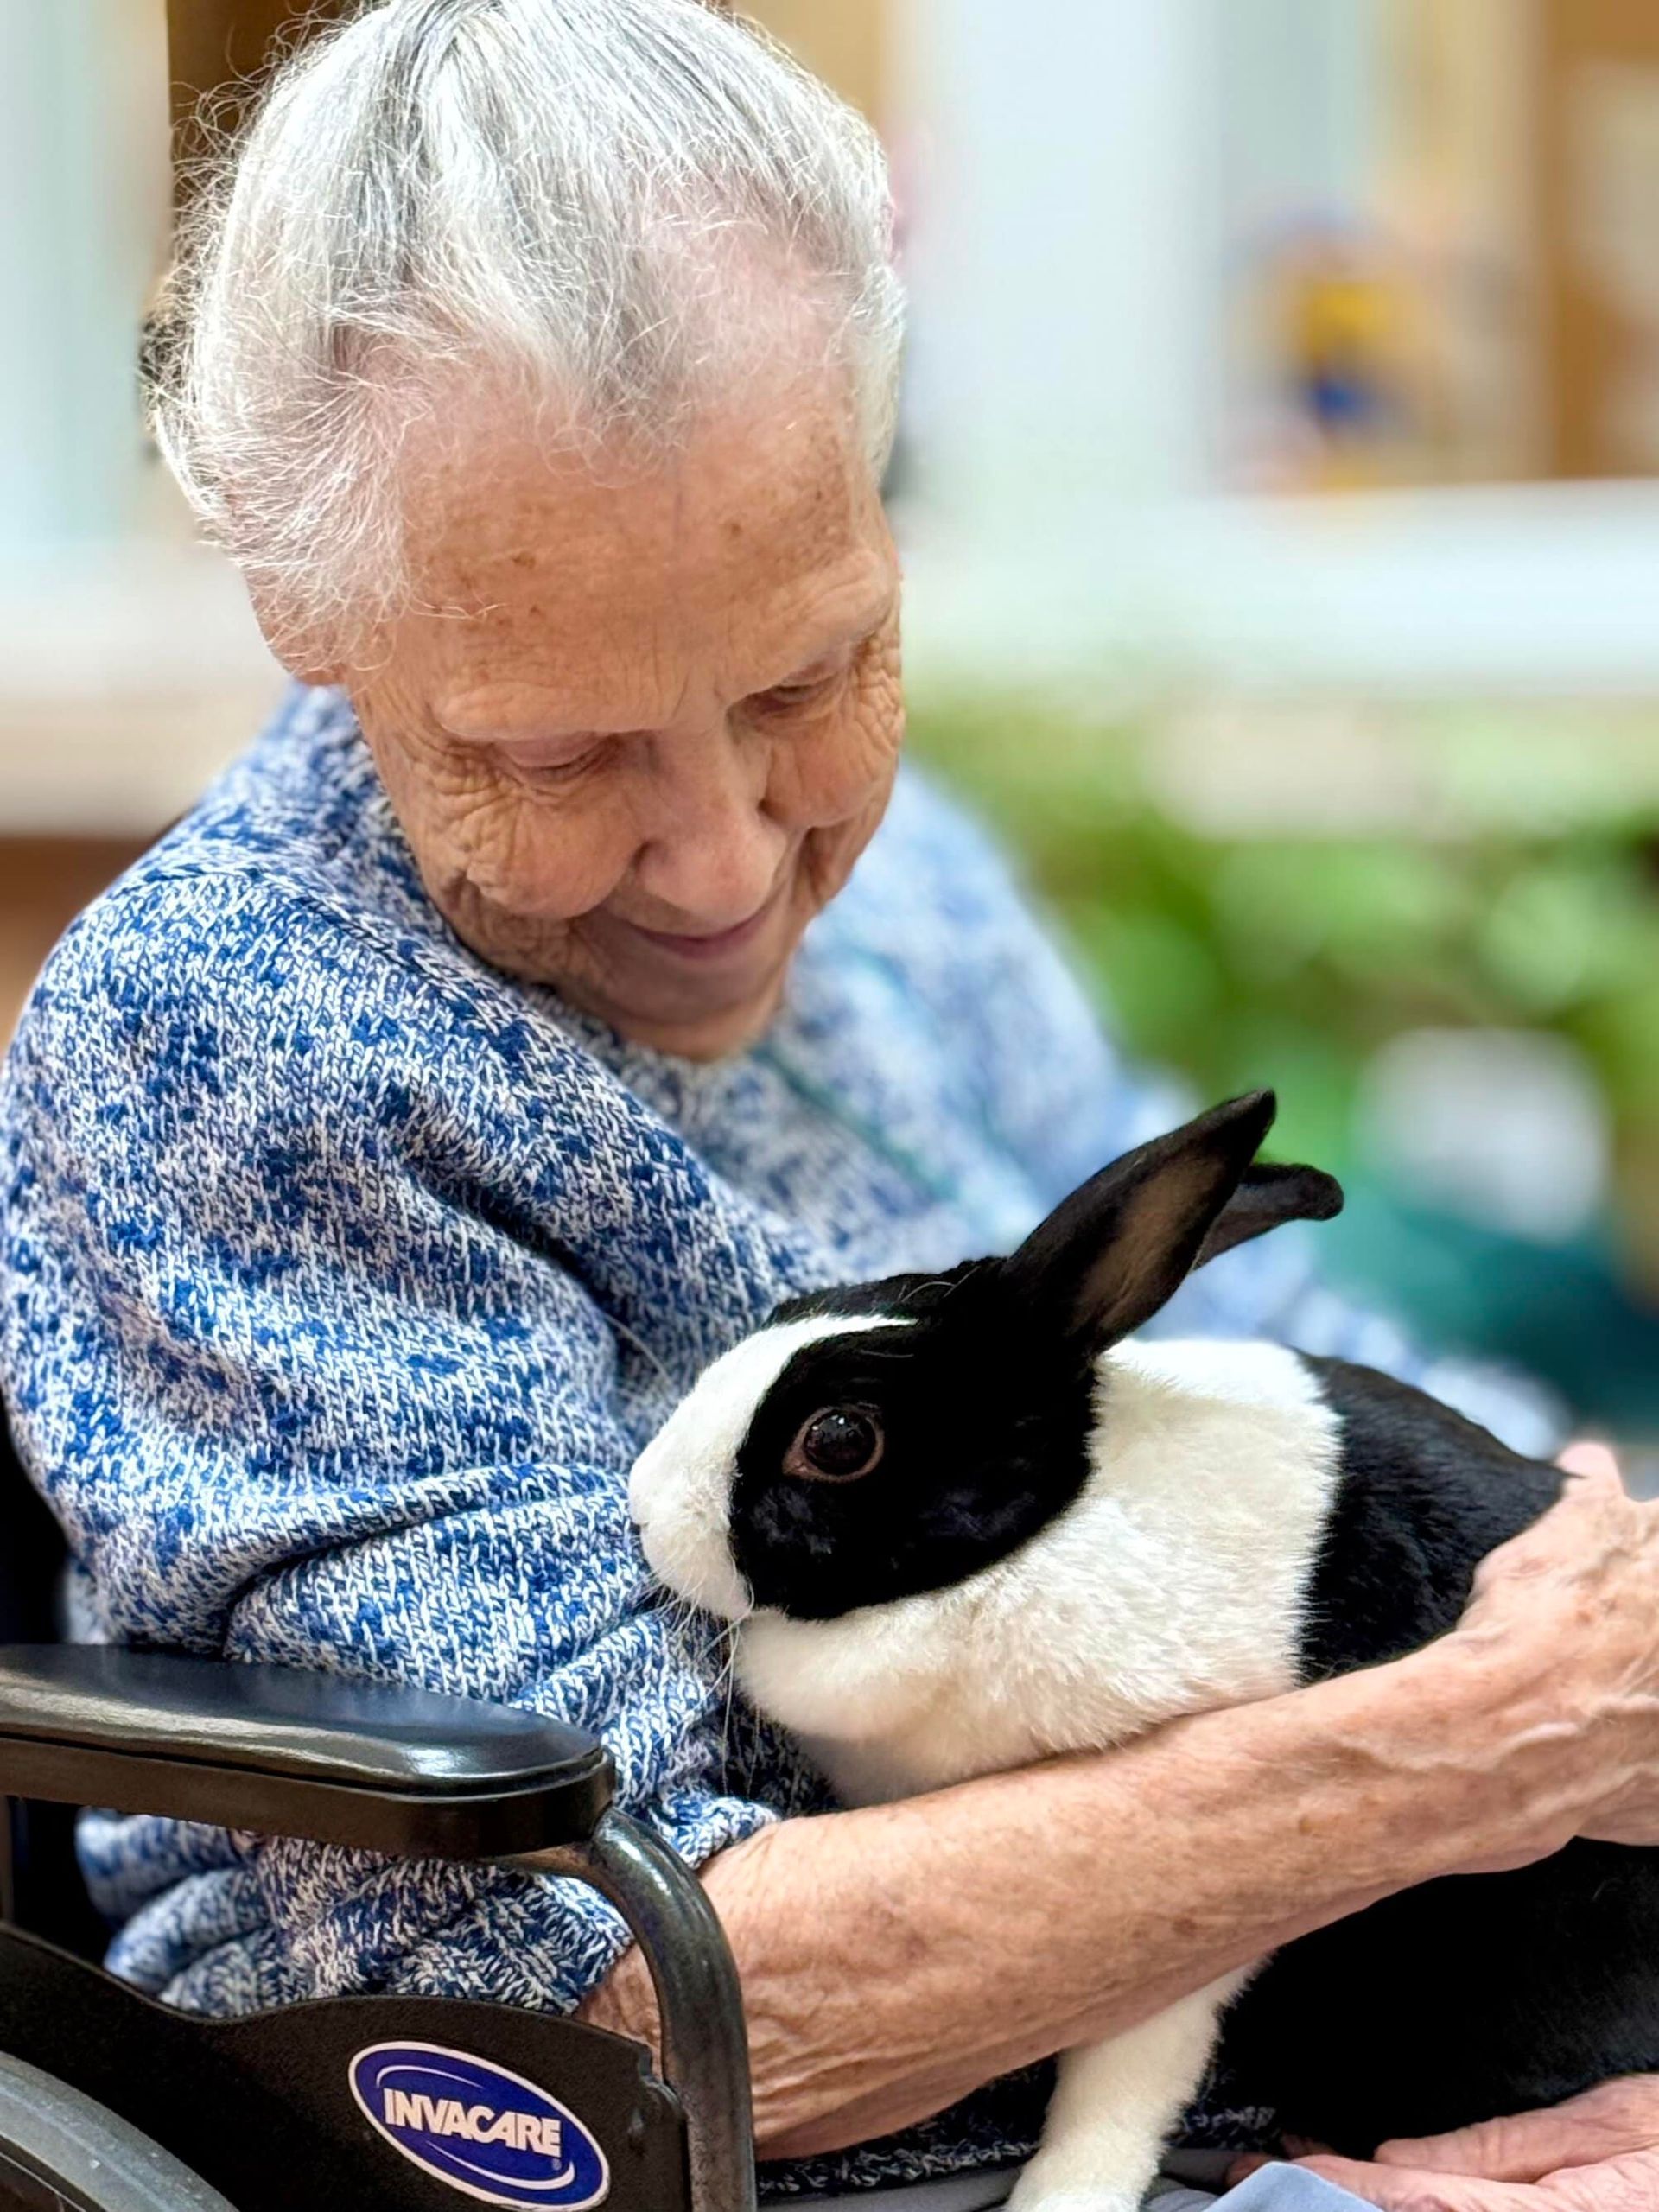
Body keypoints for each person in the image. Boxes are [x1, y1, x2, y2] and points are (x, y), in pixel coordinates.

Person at [3, 4, 1658, 2204]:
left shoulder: (910, 890)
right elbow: (607, 1992)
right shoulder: (243, 1044)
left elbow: (1297, 1380)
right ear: (309, 610)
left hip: (1269, 2013)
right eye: (560, 751)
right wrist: (1465, 1749)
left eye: (806, 678)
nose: (724, 859)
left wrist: (1584, 1619)